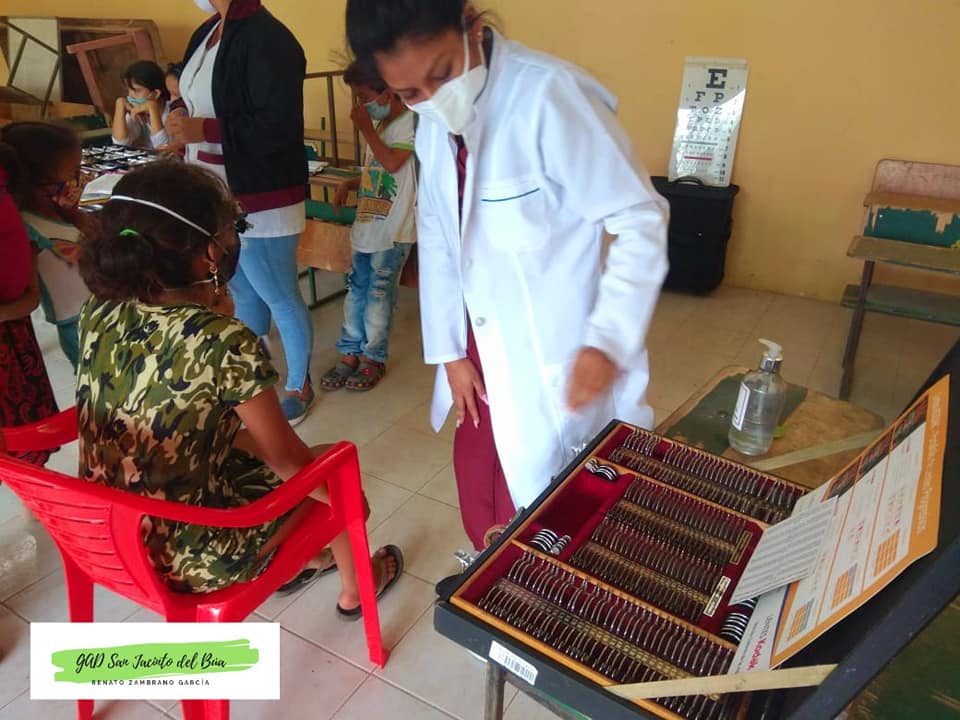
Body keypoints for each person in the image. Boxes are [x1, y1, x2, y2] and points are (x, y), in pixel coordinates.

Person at [345, 0, 669, 553]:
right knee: (487, 501)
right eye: (409, 92)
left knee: (569, 517)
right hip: (477, 346)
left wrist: (608, 341)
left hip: (560, 354)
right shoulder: (431, 126)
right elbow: (439, 236)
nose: (433, 100)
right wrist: (448, 352)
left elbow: (640, 218)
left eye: (442, 73)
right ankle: (498, 576)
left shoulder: (550, 97)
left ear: (471, 24)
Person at [76, 161, 403, 608]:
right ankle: (356, 590)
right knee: (331, 465)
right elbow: (285, 457)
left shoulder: (100, 308)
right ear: (211, 253)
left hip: (106, 532)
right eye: (233, 229)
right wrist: (349, 505)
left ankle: (308, 558)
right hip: (190, 557)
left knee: (266, 455)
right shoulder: (221, 339)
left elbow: (192, 416)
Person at [168, 0, 314, 425]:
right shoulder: (207, 32)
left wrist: (203, 129)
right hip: (215, 191)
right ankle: (253, 381)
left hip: (262, 193)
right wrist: (179, 116)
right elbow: (192, 96)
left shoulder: (270, 39)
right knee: (241, 290)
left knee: (278, 293)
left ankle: (299, 384)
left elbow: (277, 126)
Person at [321, 63, 417, 392]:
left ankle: (373, 357)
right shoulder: (379, 123)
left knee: (378, 294)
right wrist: (350, 183)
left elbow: (393, 162)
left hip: (393, 229)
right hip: (366, 225)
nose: (360, 105)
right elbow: (376, 169)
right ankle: (350, 352)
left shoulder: (409, 123)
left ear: (388, 93)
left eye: (363, 96)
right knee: (355, 290)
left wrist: (366, 130)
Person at [0, 122, 95, 372]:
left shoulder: (61, 213)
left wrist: (74, 215)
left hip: (103, 312)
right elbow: (31, 298)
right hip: (78, 327)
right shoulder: (28, 230)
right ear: (40, 183)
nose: (82, 179)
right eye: (74, 173)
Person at [0, 140, 59, 468]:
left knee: (25, 447)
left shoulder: (17, 219)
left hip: (14, 339)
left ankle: (30, 482)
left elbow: (30, 297)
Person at [111, 60, 173, 150]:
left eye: (137, 91)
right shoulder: (136, 111)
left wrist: (152, 108)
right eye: (128, 90)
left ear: (155, 94)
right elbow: (120, 143)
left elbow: (162, 148)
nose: (130, 96)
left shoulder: (173, 111)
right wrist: (119, 105)